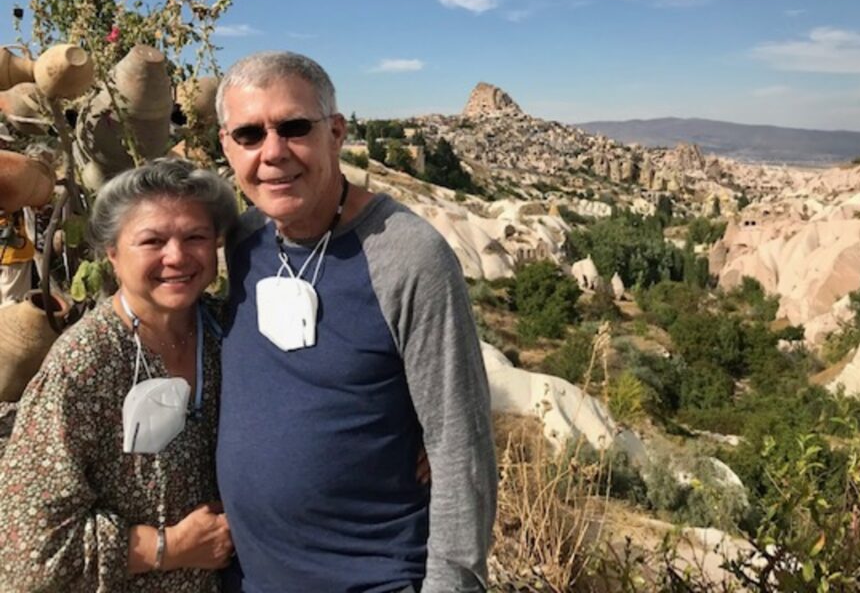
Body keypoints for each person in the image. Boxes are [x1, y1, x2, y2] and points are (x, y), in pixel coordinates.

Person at [215, 51, 497, 592]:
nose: (272, 153)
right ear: (227, 146)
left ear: (336, 132)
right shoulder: (243, 240)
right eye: (249, 134)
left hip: (375, 578)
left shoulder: (409, 256)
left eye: (294, 127)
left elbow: (460, 447)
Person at [0, 159, 238, 592]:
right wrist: (172, 547)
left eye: (195, 237)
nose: (177, 256)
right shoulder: (84, 365)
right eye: (152, 240)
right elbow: (30, 551)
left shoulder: (227, 333)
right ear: (112, 253)